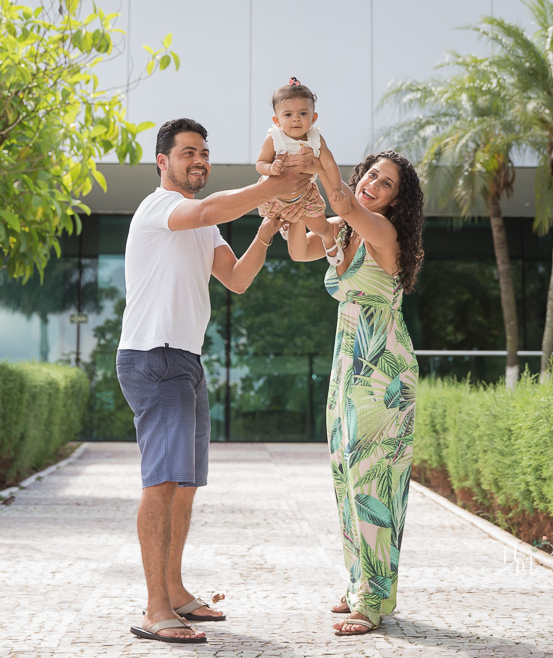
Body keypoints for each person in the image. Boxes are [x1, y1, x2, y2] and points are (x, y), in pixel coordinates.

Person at [117, 118, 316, 644]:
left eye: (204, 152)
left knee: (184, 485)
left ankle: (175, 591)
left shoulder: (204, 227)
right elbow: (208, 209)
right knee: (162, 483)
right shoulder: (160, 207)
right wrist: (274, 185)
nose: (199, 160)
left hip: (185, 360)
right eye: (188, 152)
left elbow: (237, 279)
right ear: (162, 161)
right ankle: (155, 609)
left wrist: (268, 227)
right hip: (154, 357)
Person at [284, 150, 424, 637]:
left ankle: (373, 599)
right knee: (347, 478)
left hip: (382, 372)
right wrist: (295, 196)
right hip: (349, 364)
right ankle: (360, 583)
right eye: (372, 175)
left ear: (396, 201)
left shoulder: (382, 232)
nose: (373, 185)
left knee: (373, 483)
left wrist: (314, 146)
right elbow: (299, 248)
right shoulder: (344, 230)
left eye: (385, 184)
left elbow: (340, 200)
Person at [255, 78, 346, 221]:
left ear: (313, 118)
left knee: (320, 226)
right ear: (277, 120)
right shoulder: (274, 138)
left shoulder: (316, 139)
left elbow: (330, 164)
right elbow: (260, 163)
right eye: (288, 114)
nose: (296, 118)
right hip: (273, 194)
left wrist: (337, 188)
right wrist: (271, 168)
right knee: (271, 224)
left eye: (303, 113)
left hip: (305, 194)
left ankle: (321, 235)